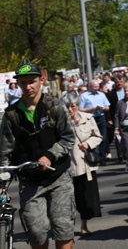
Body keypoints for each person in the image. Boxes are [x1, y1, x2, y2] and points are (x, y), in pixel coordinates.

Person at [0, 61, 75, 249]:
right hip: (30, 181)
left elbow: (68, 138)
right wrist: (2, 185)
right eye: (23, 82)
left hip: (58, 177)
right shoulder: (11, 115)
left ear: (41, 80)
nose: (28, 87)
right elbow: (5, 152)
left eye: (32, 81)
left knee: (63, 229)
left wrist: (49, 156)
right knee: (36, 232)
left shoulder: (54, 106)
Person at [62, 93, 102, 236]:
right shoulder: (60, 122)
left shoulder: (87, 118)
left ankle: (84, 226)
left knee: (85, 198)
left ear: (77, 106)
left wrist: (88, 144)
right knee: (69, 200)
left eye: (72, 106)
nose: (70, 109)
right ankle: (66, 229)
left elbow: (97, 136)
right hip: (68, 166)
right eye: (67, 107)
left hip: (85, 165)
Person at [78, 80, 109, 164]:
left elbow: (108, 107)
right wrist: (91, 109)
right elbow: (80, 109)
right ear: (90, 86)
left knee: (103, 138)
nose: (96, 88)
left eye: (98, 87)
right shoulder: (84, 96)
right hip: (90, 118)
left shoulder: (102, 95)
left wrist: (104, 108)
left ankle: (102, 158)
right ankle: (93, 157)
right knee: (92, 138)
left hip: (101, 117)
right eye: (94, 87)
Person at [114, 82, 128, 172]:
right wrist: (116, 128)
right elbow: (116, 116)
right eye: (125, 91)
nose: (126, 92)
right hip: (125, 128)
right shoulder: (120, 103)